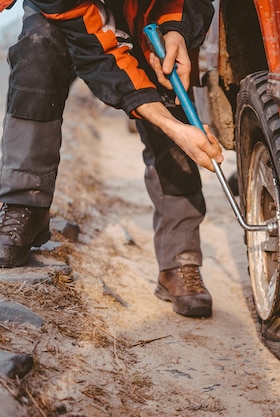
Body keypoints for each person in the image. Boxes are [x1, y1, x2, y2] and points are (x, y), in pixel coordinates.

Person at [0, 0, 223, 318]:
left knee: (169, 80)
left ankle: (180, 256)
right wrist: (171, 127)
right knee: (38, 47)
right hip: (64, 13)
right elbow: (106, 57)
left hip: (143, 12)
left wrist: (175, 30)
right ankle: (26, 207)